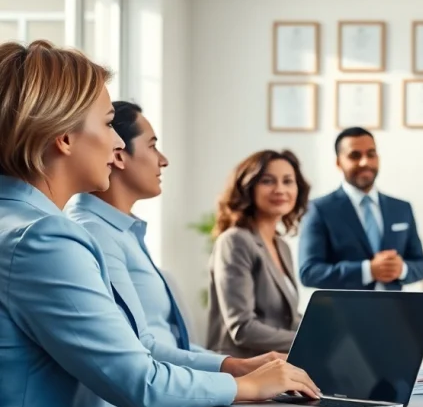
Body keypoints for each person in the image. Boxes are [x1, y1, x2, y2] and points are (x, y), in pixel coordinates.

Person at [0, 41, 320, 407]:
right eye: (109, 124)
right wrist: (245, 386)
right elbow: (139, 380)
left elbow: (131, 352)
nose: (116, 144)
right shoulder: (44, 237)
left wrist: (231, 368)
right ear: (65, 137)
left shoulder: (18, 220)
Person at [65, 102, 282, 374]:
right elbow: (140, 348)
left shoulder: (125, 232)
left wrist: (243, 366)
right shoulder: (96, 233)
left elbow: (172, 342)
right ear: (118, 154)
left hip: (172, 381)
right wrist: (236, 369)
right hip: (145, 401)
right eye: (153, 145)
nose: (163, 160)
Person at [298, 127, 423, 290]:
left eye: (371, 154)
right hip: (344, 314)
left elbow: (421, 264)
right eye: (355, 155)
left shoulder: (401, 208)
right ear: (339, 162)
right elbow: (309, 272)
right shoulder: (319, 209)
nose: (365, 162)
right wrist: (368, 270)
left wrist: (401, 269)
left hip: (395, 311)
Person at [207, 150, 310, 358]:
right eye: (268, 181)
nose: (280, 189)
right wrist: (309, 339)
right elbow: (242, 328)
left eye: (288, 181)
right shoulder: (235, 241)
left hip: (276, 363)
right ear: (248, 187)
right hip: (240, 368)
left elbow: (286, 319)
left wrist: (324, 331)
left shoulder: (281, 245)